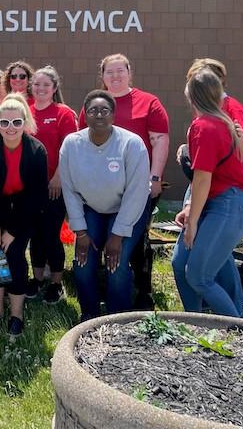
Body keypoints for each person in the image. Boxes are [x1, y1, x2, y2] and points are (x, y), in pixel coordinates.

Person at [78, 54, 169, 310]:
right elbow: (81, 144)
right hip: (97, 193)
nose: (115, 76)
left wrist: (155, 177)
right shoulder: (94, 103)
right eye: (110, 72)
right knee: (97, 246)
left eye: (120, 71)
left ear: (129, 73)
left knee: (133, 245)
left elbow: (159, 139)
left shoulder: (148, 103)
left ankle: (140, 295)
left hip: (136, 190)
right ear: (103, 76)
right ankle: (97, 302)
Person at [172, 69, 243, 318]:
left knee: (200, 277)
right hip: (220, 204)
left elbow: (202, 179)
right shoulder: (219, 123)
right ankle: (196, 325)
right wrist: (191, 210)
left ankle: (241, 328)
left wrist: (192, 223)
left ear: (191, 96)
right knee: (180, 263)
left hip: (228, 206)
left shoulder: (205, 126)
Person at [59, 90, 150, 321]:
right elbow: (69, 189)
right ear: (85, 115)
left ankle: (116, 318)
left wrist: (117, 235)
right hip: (91, 209)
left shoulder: (131, 144)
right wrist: (80, 231)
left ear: (113, 115)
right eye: (92, 110)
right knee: (83, 261)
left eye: (105, 110)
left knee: (116, 265)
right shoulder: (72, 144)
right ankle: (89, 314)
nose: (99, 114)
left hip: (128, 209)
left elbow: (137, 192)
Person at [0, 94, 48, 338]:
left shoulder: (36, 151)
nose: (10, 128)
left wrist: (12, 231)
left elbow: (36, 197)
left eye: (16, 122)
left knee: (13, 257)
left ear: (25, 122)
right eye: (5, 123)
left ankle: (16, 314)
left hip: (22, 212)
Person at [25, 66, 78, 303]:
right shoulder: (26, 112)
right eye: (37, 84)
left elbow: (70, 150)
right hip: (30, 187)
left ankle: (56, 282)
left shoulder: (63, 113)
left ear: (54, 88)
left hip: (56, 186)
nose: (41, 89)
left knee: (51, 234)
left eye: (46, 85)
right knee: (34, 234)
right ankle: (36, 279)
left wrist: (58, 177)